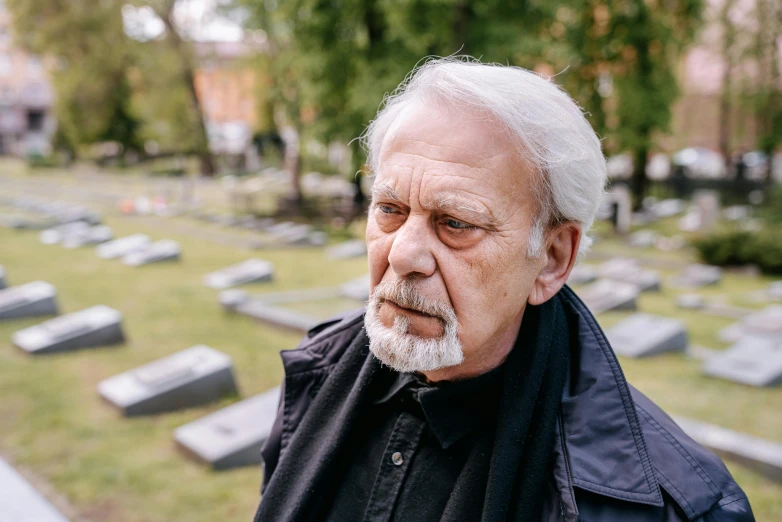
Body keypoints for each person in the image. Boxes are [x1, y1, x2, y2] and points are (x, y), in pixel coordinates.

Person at [252, 58, 754, 522]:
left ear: (552, 259)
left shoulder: (674, 506)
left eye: (455, 222)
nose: (403, 254)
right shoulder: (315, 375)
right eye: (390, 209)